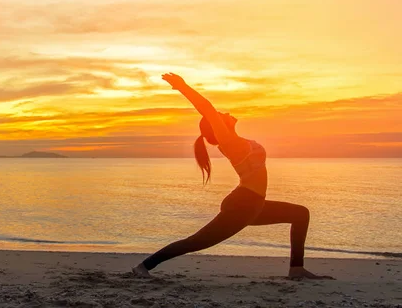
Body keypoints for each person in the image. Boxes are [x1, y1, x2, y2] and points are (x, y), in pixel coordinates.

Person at [132, 73, 333, 280]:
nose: (226, 113)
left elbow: (212, 113)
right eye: (220, 115)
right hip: (243, 206)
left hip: (254, 204)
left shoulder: (238, 141)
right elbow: (207, 109)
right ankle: (143, 266)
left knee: (300, 214)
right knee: (196, 242)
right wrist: (183, 86)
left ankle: (296, 269)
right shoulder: (230, 144)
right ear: (218, 126)